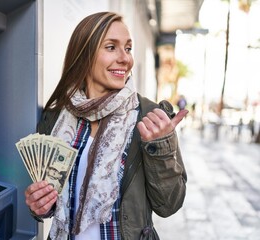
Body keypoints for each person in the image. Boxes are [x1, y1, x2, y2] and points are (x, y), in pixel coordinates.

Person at [25, 11, 188, 240]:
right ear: (84, 55)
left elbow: (169, 205)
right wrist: (40, 205)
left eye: (128, 48)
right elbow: (50, 197)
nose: (125, 58)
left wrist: (160, 147)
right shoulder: (54, 118)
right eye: (111, 47)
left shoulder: (149, 116)